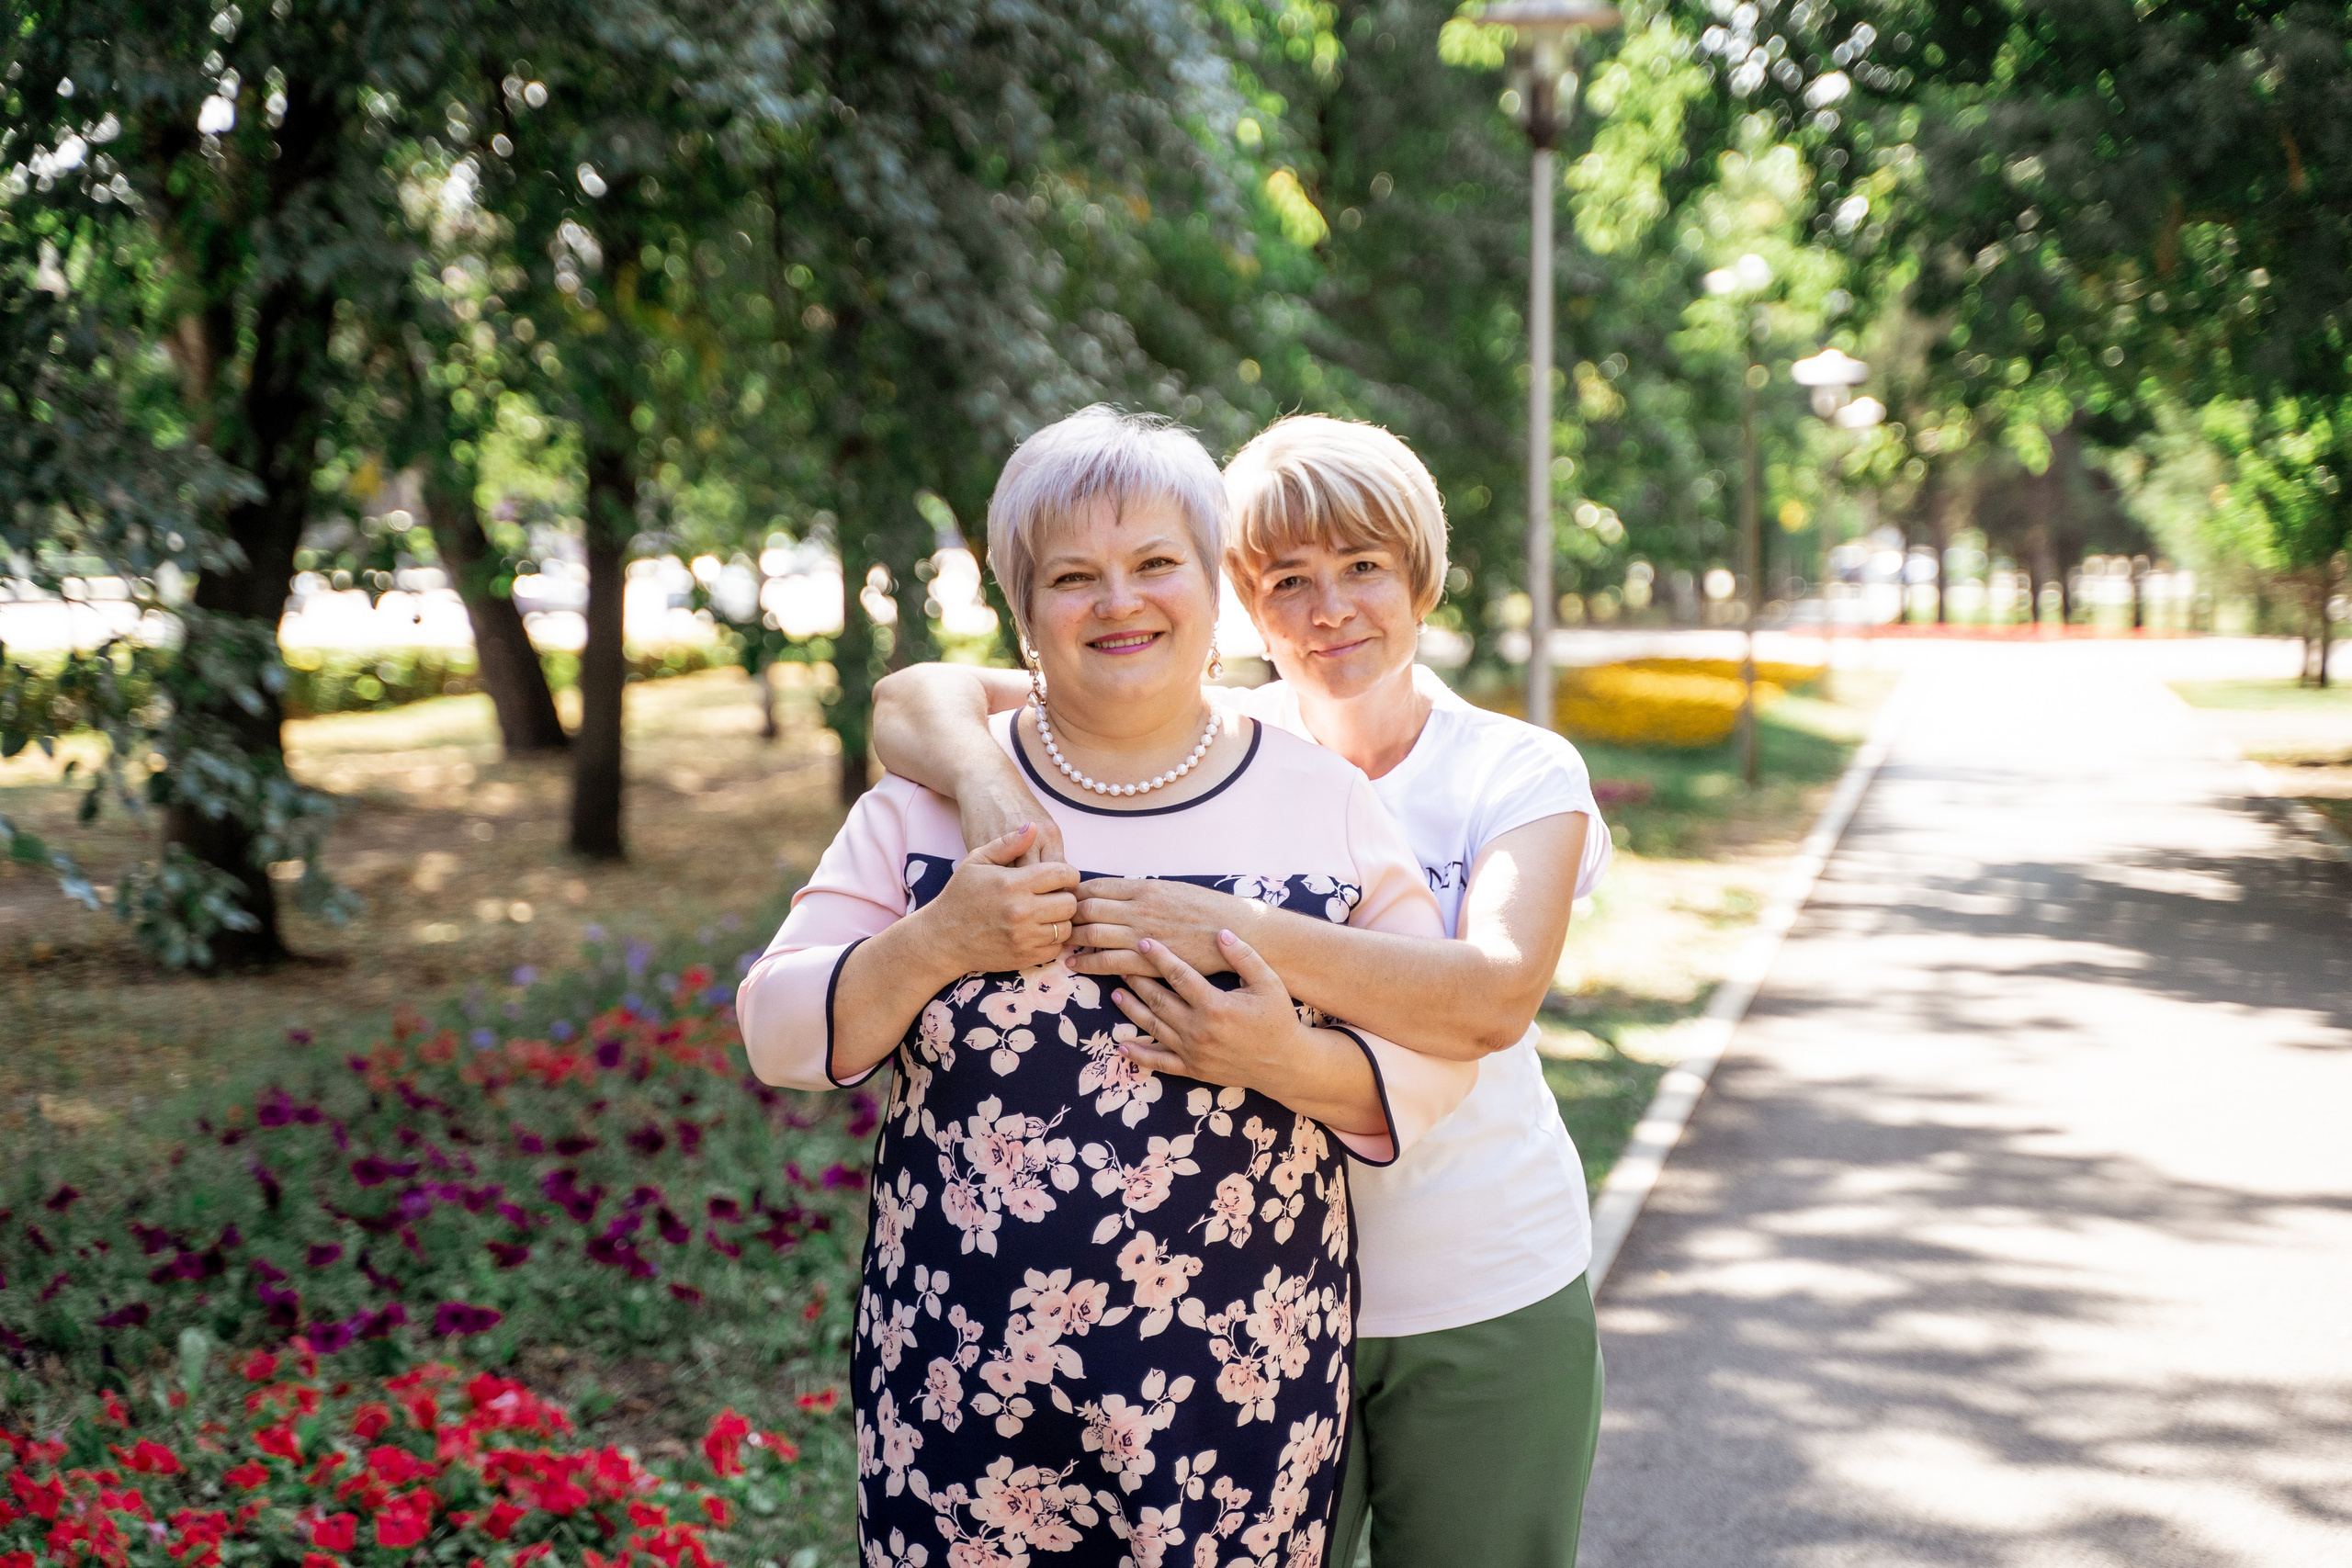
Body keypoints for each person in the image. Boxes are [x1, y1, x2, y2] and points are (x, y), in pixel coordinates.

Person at [738, 406, 1477, 1568]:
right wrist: (938, 940)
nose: (1118, 602)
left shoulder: (1322, 803)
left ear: (1210, 587)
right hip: (957, 1385)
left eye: (1153, 565)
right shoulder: (928, 810)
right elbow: (777, 1031)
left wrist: (1278, 1058)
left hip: (1239, 1385)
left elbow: (1436, 1051)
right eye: (1072, 576)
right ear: (1023, 611)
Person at [872, 413, 1614, 1567]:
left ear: (1420, 578)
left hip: (1479, 1286)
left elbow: (1492, 998)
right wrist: (978, 784)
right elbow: (919, 695)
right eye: (1285, 579)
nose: (1328, 611)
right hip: (1258, 1314)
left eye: (1363, 567)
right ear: (1236, 603)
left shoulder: (1512, 770)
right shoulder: (1216, 739)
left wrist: (1234, 928)